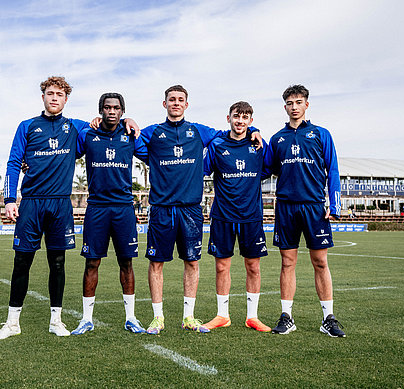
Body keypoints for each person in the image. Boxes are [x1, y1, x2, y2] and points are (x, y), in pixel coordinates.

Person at [0, 76, 138, 340]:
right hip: (32, 203)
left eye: (60, 94)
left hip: (60, 203)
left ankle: (56, 321)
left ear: (66, 99)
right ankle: (12, 323)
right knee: (21, 261)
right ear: (43, 97)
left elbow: (106, 126)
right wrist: (10, 199)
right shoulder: (27, 126)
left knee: (57, 263)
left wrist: (129, 121)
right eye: (50, 93)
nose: (55, 97)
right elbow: (14, 162)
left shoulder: (76, 128)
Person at [138, 85, 262, 334]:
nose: (176, 103)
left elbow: (230, 133)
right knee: (156, 264)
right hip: (161, 208)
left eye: (180, 100)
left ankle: (189, 317)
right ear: (165, 104)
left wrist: (254, 130)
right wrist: (129, 120)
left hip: (191, 210)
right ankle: (157, 317)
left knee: (192, 262)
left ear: (186, 104)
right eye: (171, 100)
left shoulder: (200, 131)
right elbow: (133, 140)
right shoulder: (152, 133)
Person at [265, 84, 345, 337]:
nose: (294, 107)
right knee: (287, 262)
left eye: (298, 102)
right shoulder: (277, 139)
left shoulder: (322, 134)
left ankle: (328, 318)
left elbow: (332, 169)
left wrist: (335, 204)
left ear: (306, 105)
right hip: (287, 206)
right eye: (289, 103)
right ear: (285, 107)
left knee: (320, 261)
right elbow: (268, 168)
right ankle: (286, 316)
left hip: (313, 206)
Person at [70, 93, 148, 335]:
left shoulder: (131, 136)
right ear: (100, 110)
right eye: (107, 107)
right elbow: (64, 135)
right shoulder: (88, 135)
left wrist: (134, 122)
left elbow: (157, 152)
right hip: (97, 207)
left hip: (124, 207)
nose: (111, 111)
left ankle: (131, 318)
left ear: (122, 111)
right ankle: (86, 319)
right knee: (92, 262)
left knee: (126, 262)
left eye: (116, 108)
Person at [202, 101, 271, 332]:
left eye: (245, 118)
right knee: (222, 267)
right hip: (223, 215)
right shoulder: (217, 145)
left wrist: (256, 133)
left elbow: (272, 167)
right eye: (236, 117)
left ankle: (252, 316)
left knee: (253, 267)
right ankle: (223, 315)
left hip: (251, 216)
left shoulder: (259, 145)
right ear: (228, 118)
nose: (240, 121)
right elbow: (201, 170)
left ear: (251, 121)